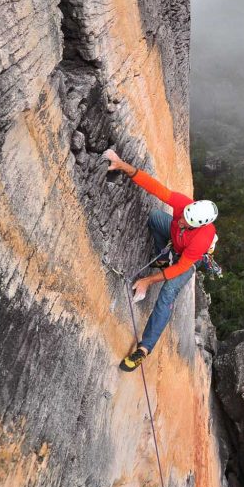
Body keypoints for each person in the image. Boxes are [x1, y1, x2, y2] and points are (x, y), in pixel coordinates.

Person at [103, 149, 219, 371]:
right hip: (176, 244)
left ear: (199, 225)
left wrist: (149, 280)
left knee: (167, 293)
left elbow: (183, 266)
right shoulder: (185, 208)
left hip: (188, 259)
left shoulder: (202, 239)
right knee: (157, 217)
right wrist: (123, 165)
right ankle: (163, 258)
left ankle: (144, 349)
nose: (181, 219)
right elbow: (157, 189)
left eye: (187, 221)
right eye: (183, 216)